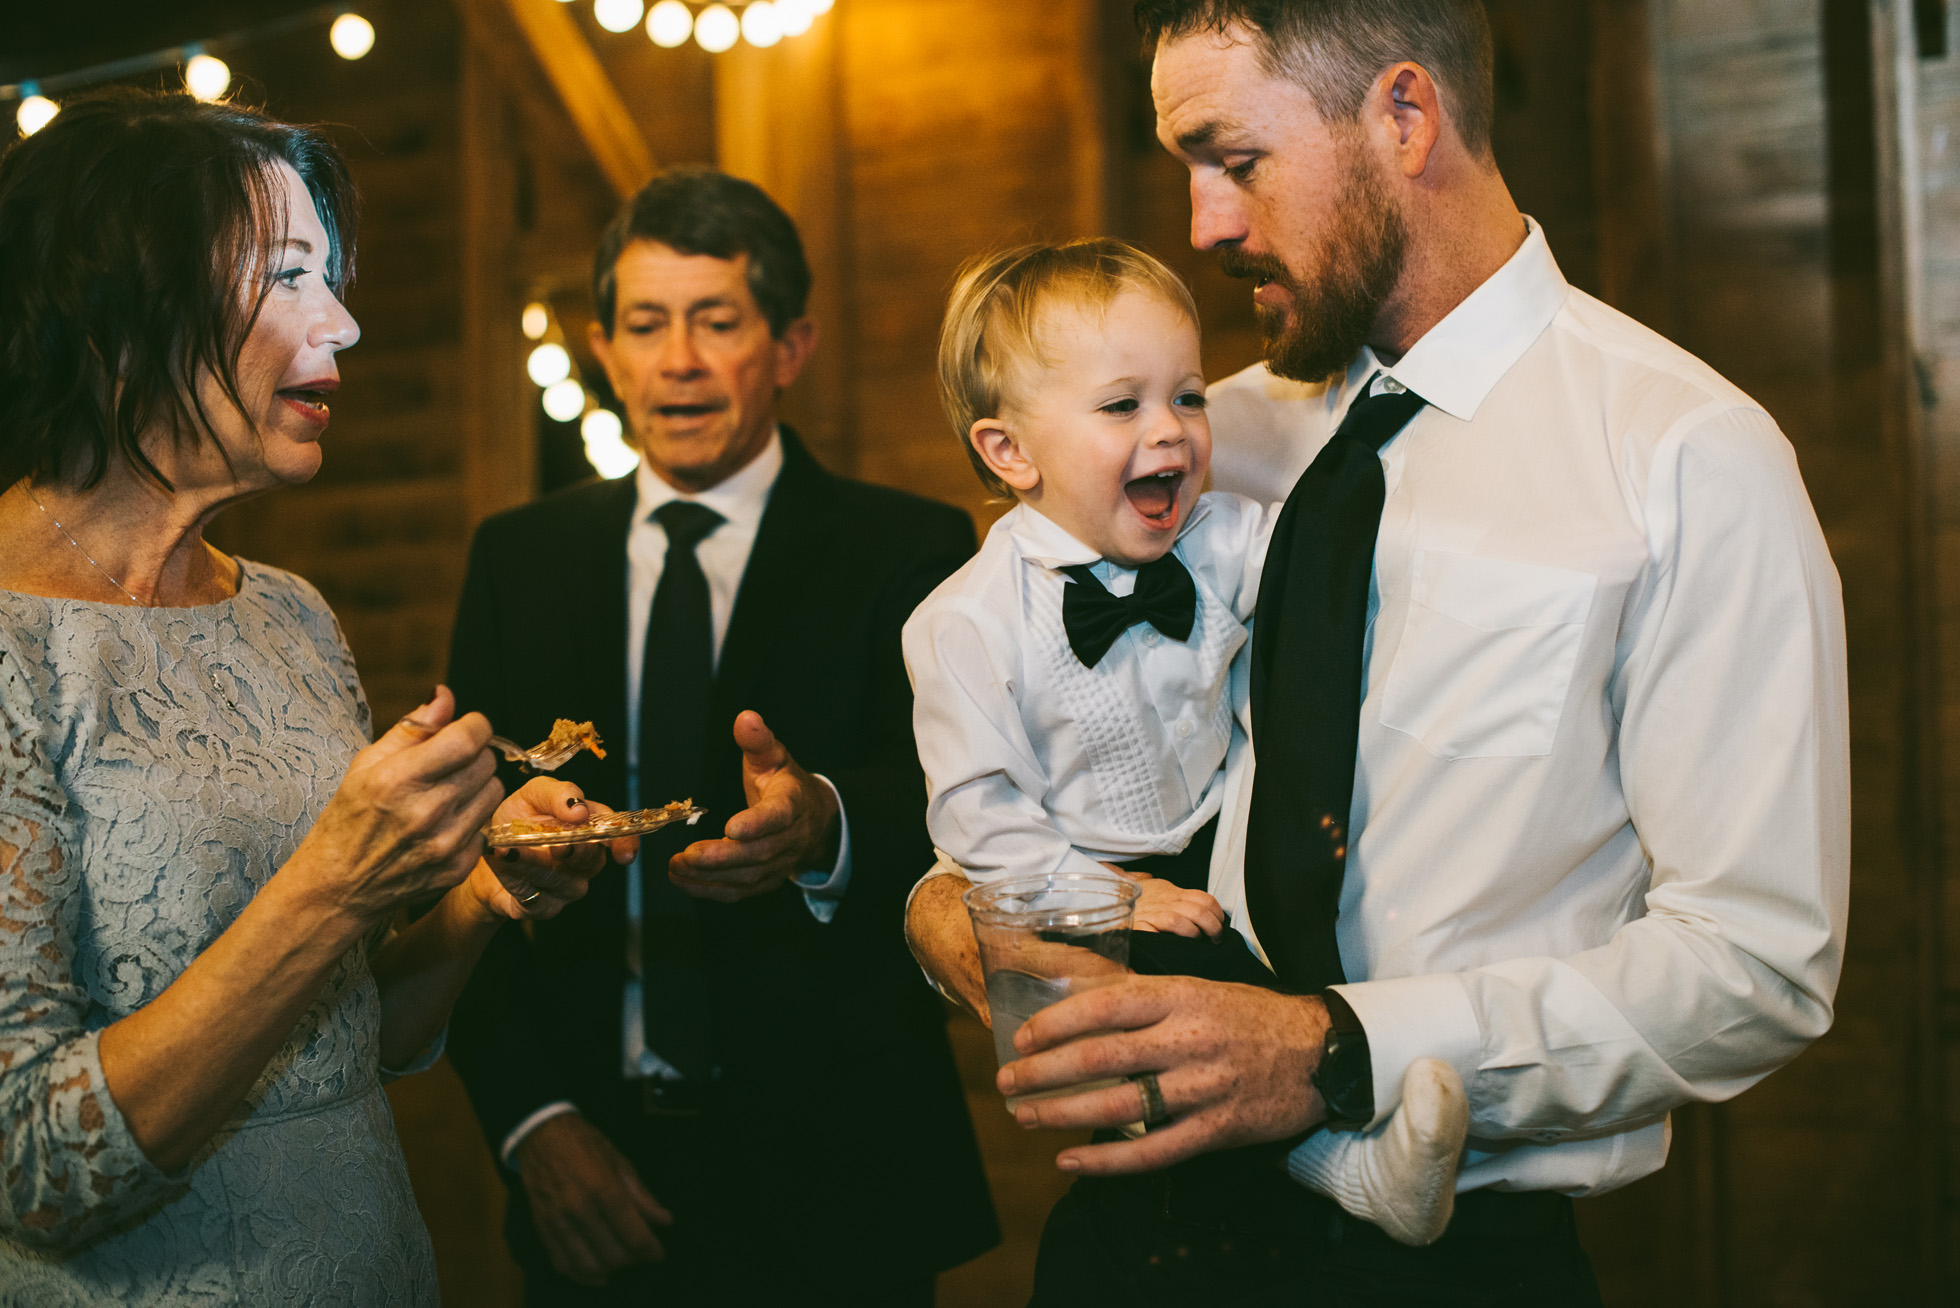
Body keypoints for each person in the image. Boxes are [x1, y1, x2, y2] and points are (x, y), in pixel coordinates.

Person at [906, 1, 1850, 1303]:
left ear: (1403, 116)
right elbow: (1026, 683)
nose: (1205, 226)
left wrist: (1344, 1051)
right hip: (1138, 1240)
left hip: (1449, 1263)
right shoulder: (1205, 440)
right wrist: (935, 899)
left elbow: (1757, 968)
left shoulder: (1680, 458)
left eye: (1234, 160)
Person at [0, 90, 632, 1305]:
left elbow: (356, 1040)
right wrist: (338, 875)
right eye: (288, 277)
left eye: (329, 277)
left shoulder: (286, 612)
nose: (341, 321)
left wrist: (475, 896)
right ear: (123, 307)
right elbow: (33, 1166)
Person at [444, 166, 997, 1306]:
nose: (677, 361)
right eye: (646, 326)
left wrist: (826, 823)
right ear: (605, 348)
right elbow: (461, 854)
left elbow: (964, 810)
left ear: (789, 346)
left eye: (716, 323)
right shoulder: (518, 560)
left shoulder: (910, 547)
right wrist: (531, 1124)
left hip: (843, 1173)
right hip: (593, 1173)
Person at [906, 237, 1468, 1248]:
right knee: (1152, 1048)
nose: (1169, 431)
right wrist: (1114, 895)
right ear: (1009, 452)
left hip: (1218, 839)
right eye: (1122, 406)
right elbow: (978, 821)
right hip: (1070, 880)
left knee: (1281, 998)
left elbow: (1339, 599)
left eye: (1190, 396)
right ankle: (1344, 1173)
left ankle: (1341, 1149)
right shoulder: (965, 623)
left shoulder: (1226, 542)